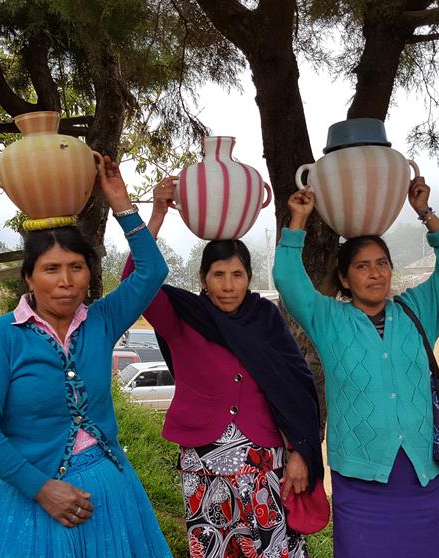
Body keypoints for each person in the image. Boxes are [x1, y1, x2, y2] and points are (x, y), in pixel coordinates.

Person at [0, 156, 172, 557]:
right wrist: (42, 489)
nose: (66, 281)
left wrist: (121, 203)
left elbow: (151, 270)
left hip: (110, 491)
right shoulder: (0, 339)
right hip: (33, 498)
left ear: (90, 274)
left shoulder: (102, 322)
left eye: (77, 267)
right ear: (29, 276)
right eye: (51, 269)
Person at [121, 178, 324, 558]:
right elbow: (135, 280)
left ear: (249, 278)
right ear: (203, 279)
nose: (228, 286)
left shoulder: (266, 317)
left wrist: (300, 452)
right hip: (202, 465)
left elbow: (296, 387)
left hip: (266, 464)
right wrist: (157, 214)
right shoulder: (183, 317)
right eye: (218, 275)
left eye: (237, 275)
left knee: (274, 549)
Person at [272, 178, 439, 557]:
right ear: (345, 279)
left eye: (382, 264)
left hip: (421, 474)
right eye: (362, 266)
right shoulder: (328, 319)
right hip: (360, 480)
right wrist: (297, 220)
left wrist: (425, 213)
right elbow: (288, 279)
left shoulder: (420, 310)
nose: (375, 273)